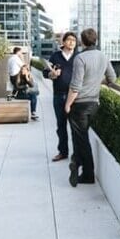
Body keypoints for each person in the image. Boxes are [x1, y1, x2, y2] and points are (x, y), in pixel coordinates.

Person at [64, 28, 116, 187]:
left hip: (79, 105)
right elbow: (112, 78)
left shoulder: (80, 58)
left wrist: (67, 104)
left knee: (82, 139)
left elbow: (75, 86)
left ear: (82, 41)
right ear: (95, 40)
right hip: (94, 104)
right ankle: (77, 163)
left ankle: (85, 172)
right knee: (81, 136)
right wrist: (95, 82)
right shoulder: (103, 56)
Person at [43, 32, 78, 161]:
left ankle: (76, 154)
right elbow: (46, 72)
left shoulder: (78, 57)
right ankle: (63, 152)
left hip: (74, 97)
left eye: (74, 40)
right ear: (63, 42)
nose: (71, 42)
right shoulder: (55, 56)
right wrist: (52, 75)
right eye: (69, 40)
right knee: (61, 125)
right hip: (58, 95)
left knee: (75, 126)